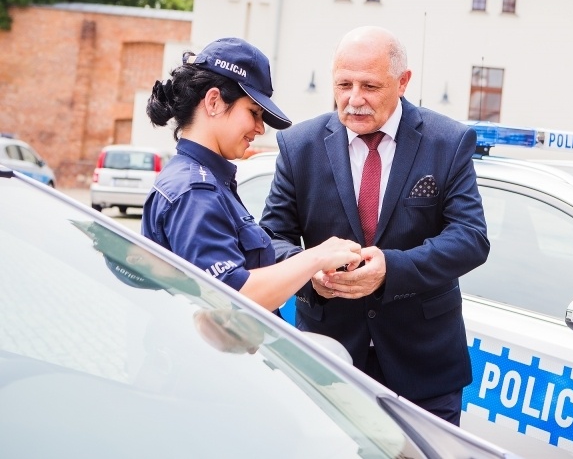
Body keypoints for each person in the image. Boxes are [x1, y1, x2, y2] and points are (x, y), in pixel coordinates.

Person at [259, 26, 490, 425]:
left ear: (403, 82)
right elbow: (272, 238)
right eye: (343, 84)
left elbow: (470, 237)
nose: (353, 99)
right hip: (326, 361)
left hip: (423, 371)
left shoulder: (447, 142)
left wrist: (391, 270)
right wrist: (308, 269)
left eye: (369, 85)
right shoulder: (299, 146)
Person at [141, 37, 363, 312]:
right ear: (214, 102)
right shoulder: (194, 192)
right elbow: (230, 297)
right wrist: (317, 258)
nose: (260, 128)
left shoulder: (204, 180)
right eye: (254, 112)